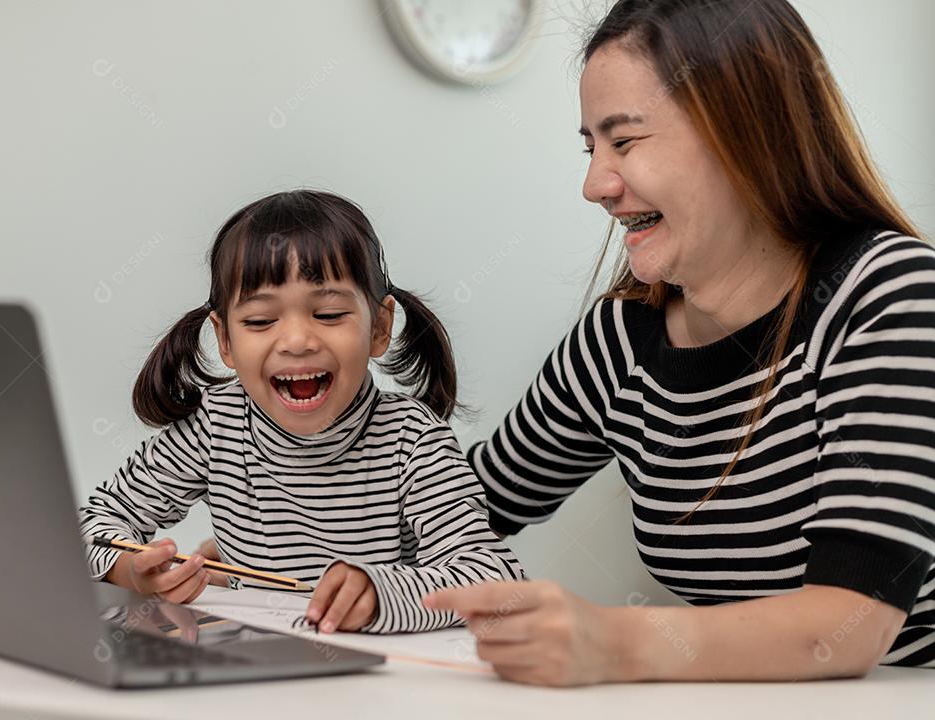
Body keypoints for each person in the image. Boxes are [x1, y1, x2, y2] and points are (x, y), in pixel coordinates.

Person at [424, 0, 934, 685]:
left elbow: (851, 625)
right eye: (590, 147)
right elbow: (460, 505)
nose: (595, 185)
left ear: (744, 131)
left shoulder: (887, 293)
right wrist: (266, 538)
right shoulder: (618, 341)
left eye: (624, 141)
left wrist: (609, 639)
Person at [79, 190, 523, 634]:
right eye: (259, 321)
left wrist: (381, 595)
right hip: (254, 672)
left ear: (380, 327)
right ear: (225, 341)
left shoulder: (413, 440)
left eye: (329, 314)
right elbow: (89, 524)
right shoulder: (216, 426)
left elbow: (496, 576)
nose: (296, 341)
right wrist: (129, 570)